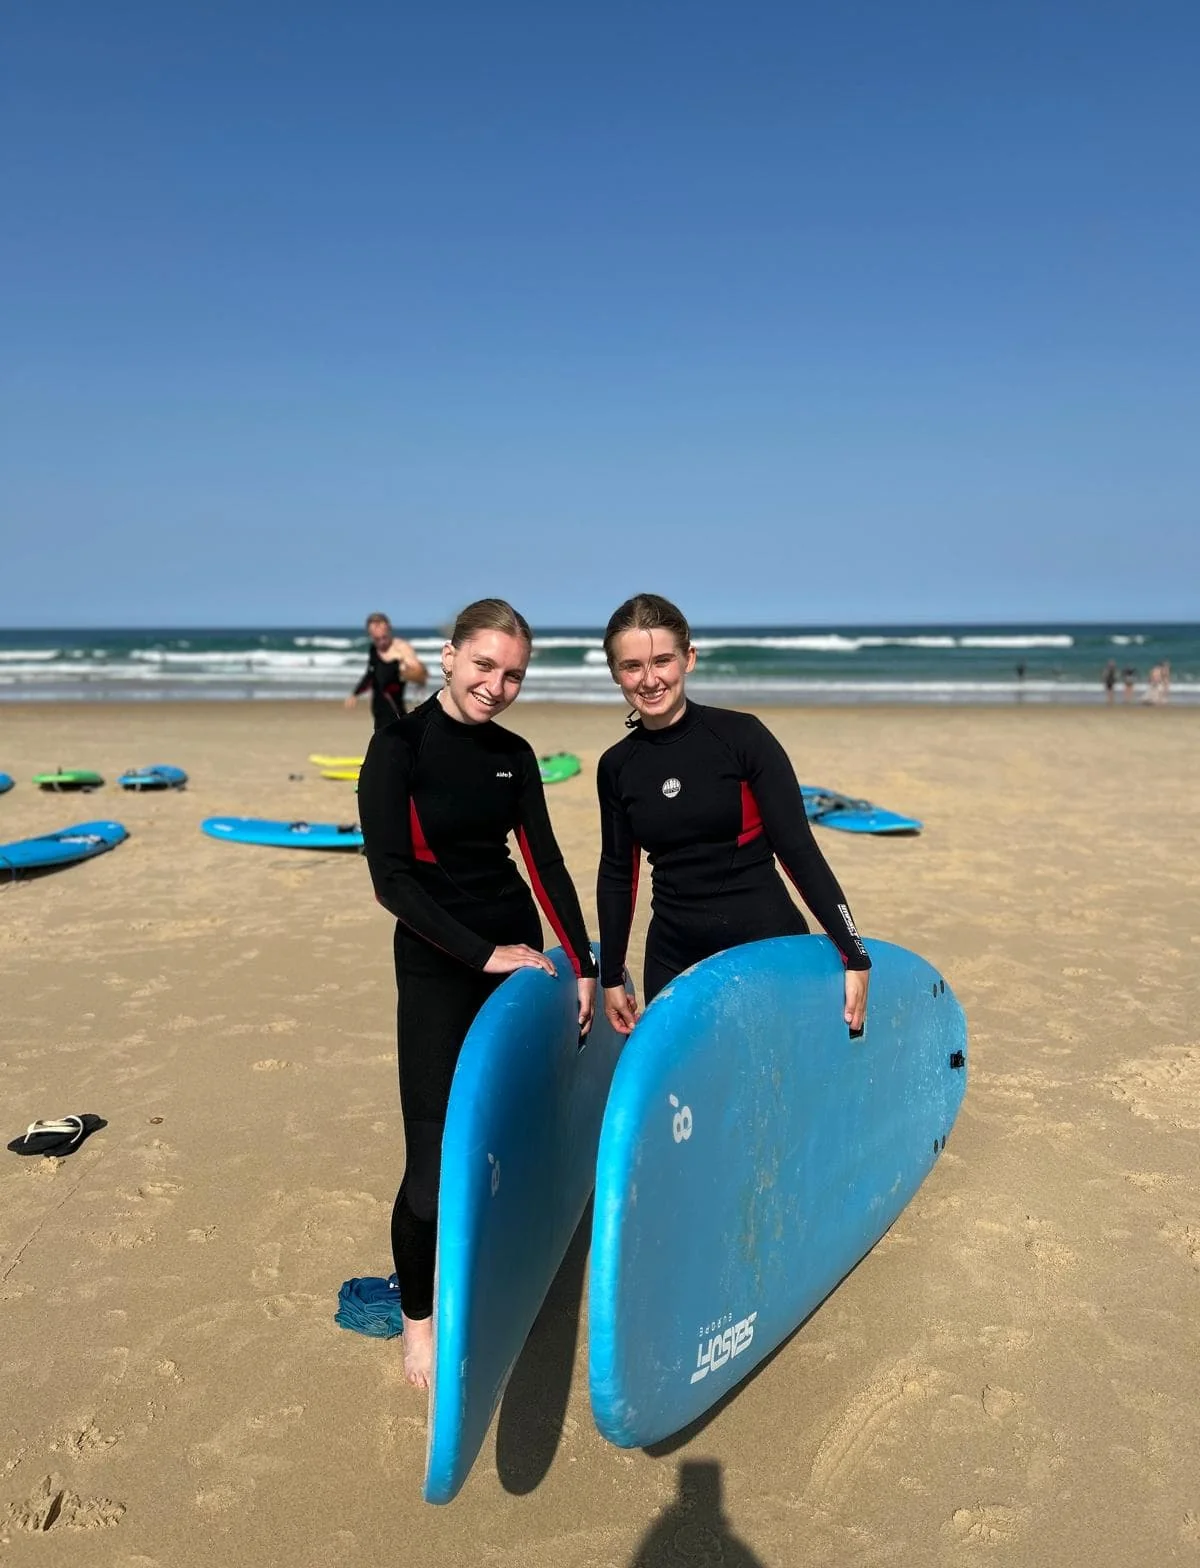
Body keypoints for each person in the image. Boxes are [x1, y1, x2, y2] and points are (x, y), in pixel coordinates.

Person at [357, 599, 597, 1389]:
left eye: (515, 674)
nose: (497, 685)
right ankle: (418, 1323)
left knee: (508, 1135)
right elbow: (391, 881)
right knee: (427, 1170)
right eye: (486, 665)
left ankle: (495, 1263)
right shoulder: (398, 747)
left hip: (519, 965)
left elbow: (545, 862)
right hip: (438, 964)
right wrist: (479, 952)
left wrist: (583, 964)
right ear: (451, 655)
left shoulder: (515, 756)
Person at [595, 593, 870, 1040]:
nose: (649, 679)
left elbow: (798, 849)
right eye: (632, 667)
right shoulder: (617, 766)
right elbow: (616, 875)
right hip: (673, 956)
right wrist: (611, 976)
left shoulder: (742, 737)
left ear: (689, 658)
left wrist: (852, 952)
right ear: (615, 673)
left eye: (662, 660)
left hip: (765, 945)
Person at [346, 613, 428, 728]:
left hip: (395, 712)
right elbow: (370, 674)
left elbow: (421, 676)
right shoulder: (374, 649)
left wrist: (407, 671)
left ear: (389, 630)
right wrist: (355, 693)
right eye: (376, 638)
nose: (381, 642)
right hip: (378, 713)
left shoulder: (402, 648)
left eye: (384, 637)